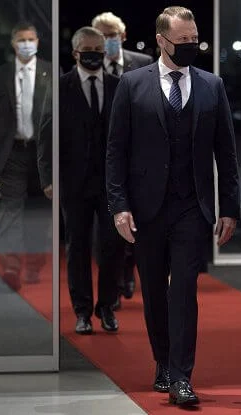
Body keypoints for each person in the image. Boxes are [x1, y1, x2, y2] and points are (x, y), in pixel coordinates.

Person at [106, 6, 240, 407]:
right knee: (154, 292)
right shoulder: (131, 85)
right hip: (146, 209)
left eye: (193, 39)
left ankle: (183, 376)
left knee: (184, 290)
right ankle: (162, 363)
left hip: (191, 208)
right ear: (161, 40)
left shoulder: (212, 85)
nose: (189, 46)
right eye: (181, 41)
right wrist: (119, 206)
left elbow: (227, 153)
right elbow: (115, 150)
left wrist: (229, 208)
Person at [56, 27, 124, 335]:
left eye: (99, 48)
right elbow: (49, 137)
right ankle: (82, 311)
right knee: (77, 247)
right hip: (74, 182)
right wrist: (49, 178)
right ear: (75, 53)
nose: (95, 53)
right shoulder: (60, 88)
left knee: (112, 245)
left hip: (112, 184)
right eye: (89, 49)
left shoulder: (118, 86)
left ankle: (107, 307)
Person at [0, 22, 52, 291]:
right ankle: (11, 264)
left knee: (40, 209)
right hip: (11, 152)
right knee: (12, 208)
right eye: (21, 39)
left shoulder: (50, 72)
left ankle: (34, 263)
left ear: (37, 42)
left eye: (30, 39)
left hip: (42, 153)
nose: (26, 43)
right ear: (13, 43)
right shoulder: (1, 74)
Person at [92, 11, 153, 307]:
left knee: (135, 220)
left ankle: (129, 270)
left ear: (122, 37)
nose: (107, 41)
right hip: (105, 157)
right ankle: (113, 284)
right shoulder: (89, 68)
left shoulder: (142, 65)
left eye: (111, 36)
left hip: (138, 156)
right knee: (108, 226)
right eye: (102, 36)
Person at [92, 11, 153, 76]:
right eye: (102, 35)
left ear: (123, 35)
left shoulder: (144, 63)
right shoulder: (89, 63)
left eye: (112, 35)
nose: (107, 39)